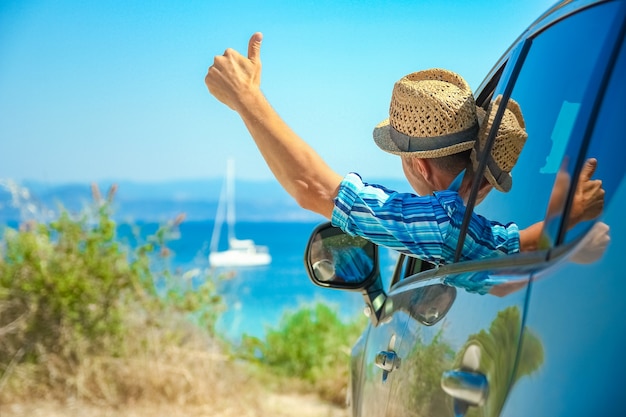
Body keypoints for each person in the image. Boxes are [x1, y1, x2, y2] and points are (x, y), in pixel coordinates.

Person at [205, 32, 603, 265]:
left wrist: (247, 98)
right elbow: (519, 244)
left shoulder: (439, 223)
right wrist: (563, 220)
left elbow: (315, 188)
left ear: (421, 166)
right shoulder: (473, 230)